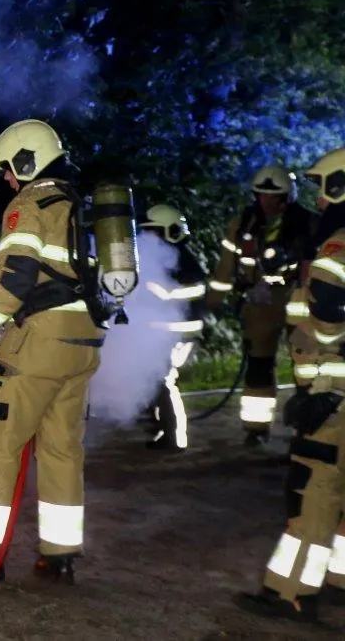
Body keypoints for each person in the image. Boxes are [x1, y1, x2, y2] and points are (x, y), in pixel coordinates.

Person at [0, 118, 103, 585]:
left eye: (9, 170)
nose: (7, 180)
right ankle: (59, 557)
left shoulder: (30, 203)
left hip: (39, 343)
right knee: (62, 451)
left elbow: (14, 279)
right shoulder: (80, 206)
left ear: (27, 161)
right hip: (83, 342)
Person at [235, 147, 345, 622]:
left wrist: (321, 390)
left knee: (314, 489)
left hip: (333, 396)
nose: (320, 200)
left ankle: (291, 593)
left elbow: (326, 320)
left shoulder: (338, 245)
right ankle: (339, 578)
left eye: (325, 188)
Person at [205, 166, 317, 446]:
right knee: (258, 366)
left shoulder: (309, 223)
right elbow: (225, 266)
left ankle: (307, 429)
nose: (268, 202)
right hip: (259, 304)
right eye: (262, 195)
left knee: (306, 369)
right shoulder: (244, 222)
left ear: (287, 195)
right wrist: (214, 301)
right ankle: (256, 428)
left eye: (274, 196)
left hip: (297, 300)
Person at [139, 204, 207, 451]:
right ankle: (161, 431)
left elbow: (168, 294)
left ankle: (175, 437)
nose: (150, 238)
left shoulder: (182, 261)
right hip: (164, 332)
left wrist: (144, 285)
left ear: (171, 231)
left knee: (164, 381)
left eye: (155, 232)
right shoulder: (164, 258)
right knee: (154, 382)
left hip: (178, 333)